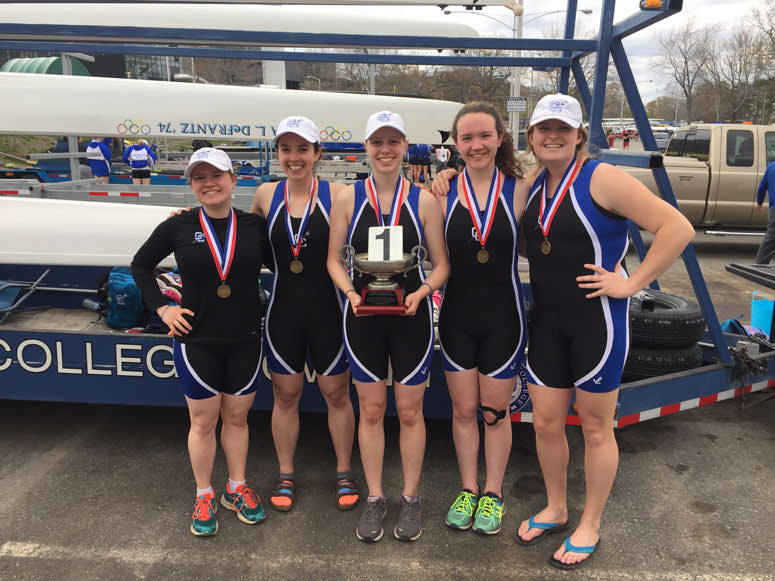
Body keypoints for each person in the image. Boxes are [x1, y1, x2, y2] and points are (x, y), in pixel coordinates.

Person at [514, 94, 694, 569]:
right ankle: (556, 507)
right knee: (548, 422)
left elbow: (677, 227)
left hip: (598, 323)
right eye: (543, 129)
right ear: (531, 137)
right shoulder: (534, 183)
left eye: (563, 129)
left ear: (579, 136)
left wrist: (632, 283)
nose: (553, 136)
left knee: (595, 428)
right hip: (548, 322)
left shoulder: (603, 178)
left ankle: (589, 522)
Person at [130, 148, 269, 537]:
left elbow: (287, 265)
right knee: (204, 422)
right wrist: (162, 309)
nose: (209, 183)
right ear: (191, 184)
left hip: (245, 338)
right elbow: (141, 266)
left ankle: (236, 488)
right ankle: (204, 492)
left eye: (216, 175)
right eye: (199, 177)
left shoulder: (255, 226)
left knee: (238, 418)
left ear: (233, 179)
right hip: (196, 340)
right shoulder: (178, 226)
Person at [326, 110, 450, 543]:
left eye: (393, 142)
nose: (385, 150)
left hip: (411, 314)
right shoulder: (346, 198)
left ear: (404, 147)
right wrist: (351, 293)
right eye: (377, 142)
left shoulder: (424, 201)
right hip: (362, 315)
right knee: (373, 410)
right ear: (366, 148)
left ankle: (411, 498)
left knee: (411, 411)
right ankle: (376, 497)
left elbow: (442, 263)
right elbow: (332, 260)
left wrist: (422, 292)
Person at [250, 116, 359, 513]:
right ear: (278, 152)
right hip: (284, 311)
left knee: (337, 394)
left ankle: (345, 471)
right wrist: (189, 219)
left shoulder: (340, 193)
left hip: (330, 309)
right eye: (285, 149)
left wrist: (443, 179)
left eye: (302, 149)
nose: (293, 158)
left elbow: (383, 213)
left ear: (317, 153)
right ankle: (285, 472)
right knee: (285, 395)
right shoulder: (265, 194)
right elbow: (244, 238)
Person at [434, 102, 528, 536]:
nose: (476, 145)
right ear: (455, 144)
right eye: (467, 138)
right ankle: (468, 488)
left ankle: (493, 494)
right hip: (456, 316)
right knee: (463, 409)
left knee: (494, 412)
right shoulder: (442, 190)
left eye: (484, 136)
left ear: (500, 137)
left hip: (504, 317)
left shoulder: (521, 189)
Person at [754, 160, 775, 264]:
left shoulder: (771, 167)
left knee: (771, 236)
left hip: (774, 208)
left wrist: (759, 202)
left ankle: (760, 263)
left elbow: (762, 187)